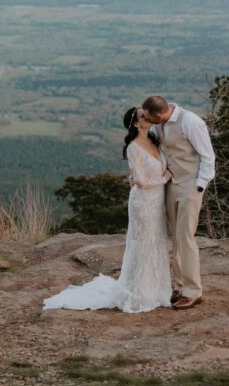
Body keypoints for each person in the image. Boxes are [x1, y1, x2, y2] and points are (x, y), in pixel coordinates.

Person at [42, 107, 173, 313]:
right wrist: (166, 176)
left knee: (156, 242)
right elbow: (140, 180)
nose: (148, 117)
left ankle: (157, 289)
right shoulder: (133, 147)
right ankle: (141, 292)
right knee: (144, 244)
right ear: (136, 124)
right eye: (143, 116)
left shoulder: (155, 139)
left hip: (158, 201)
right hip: (144, 202)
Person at [141, 95, 215, 310]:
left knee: (186, 236)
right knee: (175, 235)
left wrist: (200, 185)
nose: (146, 120)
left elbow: (208, 156)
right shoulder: (160, 124)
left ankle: (193, 291)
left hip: (191, 184)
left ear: (159, 114)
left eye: (148, 117)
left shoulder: (191, 122)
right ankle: (180, 285)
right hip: (170, 183)